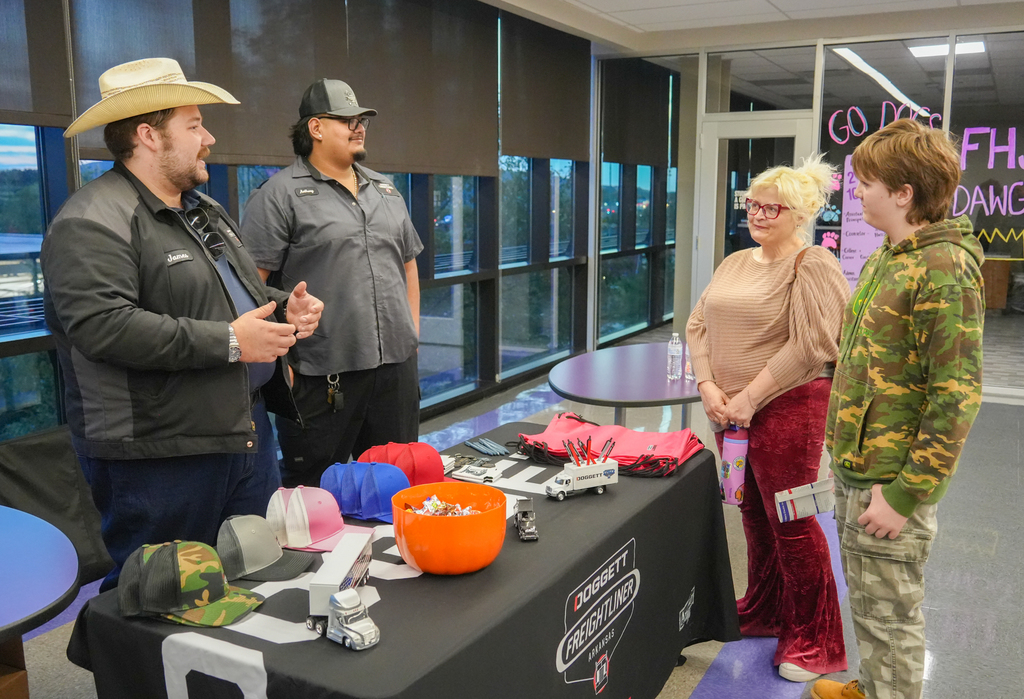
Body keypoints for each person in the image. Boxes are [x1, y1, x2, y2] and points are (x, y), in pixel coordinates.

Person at [42, 58, 324, 591]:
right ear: (148, 135)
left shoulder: (203, 209)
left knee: (249, 580)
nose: (209, 137)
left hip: (242, 433)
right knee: (162, 598)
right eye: (194, 125)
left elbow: (229, 292)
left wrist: (285, 307)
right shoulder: (90, 221)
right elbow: (104, 326)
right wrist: (233, 342)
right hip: (160, 453)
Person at [812, 120, 984, 699]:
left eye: (867, 183)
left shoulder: (944, 267)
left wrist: (906, 494)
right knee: (870, 600)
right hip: (862, 466)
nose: (857, 193)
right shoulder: (896, 254)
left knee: (892, 614)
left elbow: (955, 396)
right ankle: (873, 686)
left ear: (903, 193)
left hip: (891, 480)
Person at [686, 155, 851, 683]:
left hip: (788, 408)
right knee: (753, 516)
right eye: (752, 203)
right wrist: (709, 386)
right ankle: (766, 607)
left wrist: (750, 397)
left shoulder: (812, 264)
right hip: (729, 411)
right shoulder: (735, 262)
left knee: (793, 522)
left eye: (770, 206)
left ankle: (816, 639)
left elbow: (813, 345)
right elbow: (697, 325)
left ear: (799, 212)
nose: (757, 214)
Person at [241, 79, 422, 488]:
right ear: (316, 128)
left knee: (396, 486)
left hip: (394, 371)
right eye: (346, 120)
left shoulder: (386, 190)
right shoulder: (278, 196)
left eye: (362, 120)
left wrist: (413, 334)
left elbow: (407, 265)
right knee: (316, 493)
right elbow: (250, 285)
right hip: (320, 376)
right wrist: (276, 367)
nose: (359, 127)